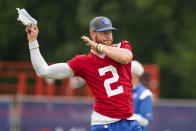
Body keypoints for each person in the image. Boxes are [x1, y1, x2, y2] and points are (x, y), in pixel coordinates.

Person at [25, 16, 142, 131]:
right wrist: (32, 42)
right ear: (92, 34)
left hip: (129, 121)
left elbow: (126, 57)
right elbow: (43, 71)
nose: (108, 36)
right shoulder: (83, 62)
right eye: (104, 32)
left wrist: (97, 46)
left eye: (110, 32)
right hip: (104, 123)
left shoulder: (122, 46)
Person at [131, 61, 153, 131]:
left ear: (133, 74)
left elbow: (144, 120)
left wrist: (123, 115)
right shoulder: (122, 91)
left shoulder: (145, 93)